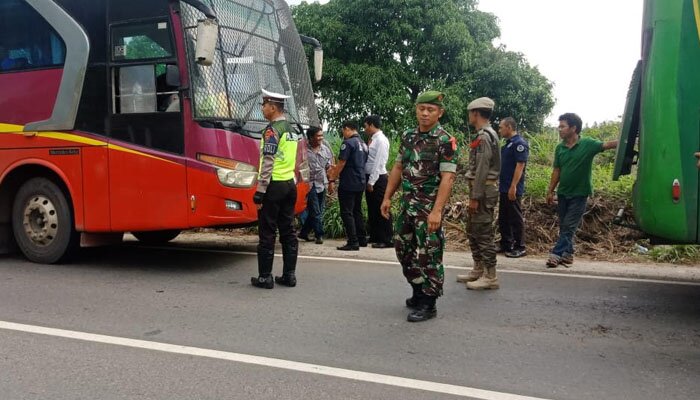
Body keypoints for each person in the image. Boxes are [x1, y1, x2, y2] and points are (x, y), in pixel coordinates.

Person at [381, 90, 458, 322]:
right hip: (407, 206)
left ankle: (429, 302)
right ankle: (418, 288)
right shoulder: (408, 136)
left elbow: (448, 178)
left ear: (439, 113)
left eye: (430, 110)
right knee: (402, 249)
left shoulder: (445, 140)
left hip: (428, 209)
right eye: (421, 109)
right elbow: (397, 167)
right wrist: (387, 197)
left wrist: (437, 211)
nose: (425, 113)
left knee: (430, 254)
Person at [545, 113, 618, 268]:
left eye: (562, 126)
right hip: (563, 193)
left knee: (569, 226)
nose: (559, 129)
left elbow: (606, 145)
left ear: (574, 128)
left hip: (580, 194)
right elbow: (557, 171)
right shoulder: (560, 148)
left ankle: (556, 254)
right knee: (564, 225)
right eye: (559, 126)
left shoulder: (587, 144)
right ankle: (568, 255)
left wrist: (628, 140)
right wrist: (550, 191)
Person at [251, 89, 302, 289]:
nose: (262, 109)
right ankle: (289, 275)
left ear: (273, 107)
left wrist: (260, 191)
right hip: (290, 184)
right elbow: (296, 160)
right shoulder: (292, 130)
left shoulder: (272, 130)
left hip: (274, 185)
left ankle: (265, 277)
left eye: (264, 105)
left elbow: (268, 162)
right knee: (288, 230)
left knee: (267, 231)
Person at [456, 97, 501, 291]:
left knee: (482, 232)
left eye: (470, 113)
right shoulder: (484, 134)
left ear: (476, 113)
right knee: (473, 230)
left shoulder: (484, 136)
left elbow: (482, 169)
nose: (469, 116)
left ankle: (490, 276)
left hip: (483, 190)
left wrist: (475, 197)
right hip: (480, 188)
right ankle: (478, 269)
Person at [331, 121, 369, 251]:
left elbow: (341, 163)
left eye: (343, 131)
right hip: (360, 181)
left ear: (347, 129)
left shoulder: (348, 143)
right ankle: (362, 238)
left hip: (348, 182)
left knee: (347, 212)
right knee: (357, 211)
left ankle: (353, 241)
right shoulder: (363, 144)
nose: (343, 134)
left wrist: (332, 178)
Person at [497, 117, 528, 258]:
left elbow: (520, 165)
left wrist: (513, 186)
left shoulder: (519, 143)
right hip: (504, 187)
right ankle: (506, 243)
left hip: (512, 188)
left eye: (501, 127)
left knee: (515, 217)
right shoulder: (508, 144)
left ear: (509, 127)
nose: (500, 130)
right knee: (504, 217)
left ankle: (520, 246)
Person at [298, 126, 334, 244]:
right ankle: (319, 234)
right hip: (308, 184)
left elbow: (328, 166)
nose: (321, 138)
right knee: (315, 210)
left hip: (321, 183)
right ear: (311, 137)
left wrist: (331, 182)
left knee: (318, 211)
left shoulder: (325, 149)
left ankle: (303, 233)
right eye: (318, 136)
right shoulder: (303, 150)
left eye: (321, 135)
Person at [363, 115, 393, 248]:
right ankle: (375, 235)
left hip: (378, 178)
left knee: (381, 207)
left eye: (365, 126)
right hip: (371, 176)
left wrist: (372, 181)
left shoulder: (381, 140)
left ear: (371, 125)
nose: (364, 129)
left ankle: (386, 238)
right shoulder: (373, 140)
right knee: (373, 208)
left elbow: (379, 163)